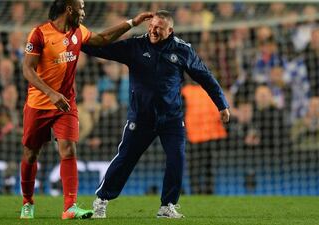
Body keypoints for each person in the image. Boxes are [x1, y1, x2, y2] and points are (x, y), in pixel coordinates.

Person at [82, 10, 230, 219]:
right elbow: (101, 49)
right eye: (151, 26)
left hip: (171, 119)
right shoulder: (135, 46)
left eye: (158, 28)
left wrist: (221, 104)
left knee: (176, 158)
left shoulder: (183, 50)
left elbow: (206, 78)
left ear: (170, 30)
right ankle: (101, 200)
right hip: (140, 118)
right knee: (125, 159)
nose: (153, 30)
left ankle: (167, 206)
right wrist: (77, 42)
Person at [20, 0, 153, 220]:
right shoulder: (39, 34)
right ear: (69, 9)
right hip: (39, 104)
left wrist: (131, 22)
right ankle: (27, 202)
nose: (84, 12)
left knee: (69, 150)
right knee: (31, 154)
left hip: (66, 103)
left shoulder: (77, 32)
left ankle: (70, 207)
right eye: (81, 8)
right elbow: (27, 69)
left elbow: (102, 39)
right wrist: (51, 93)